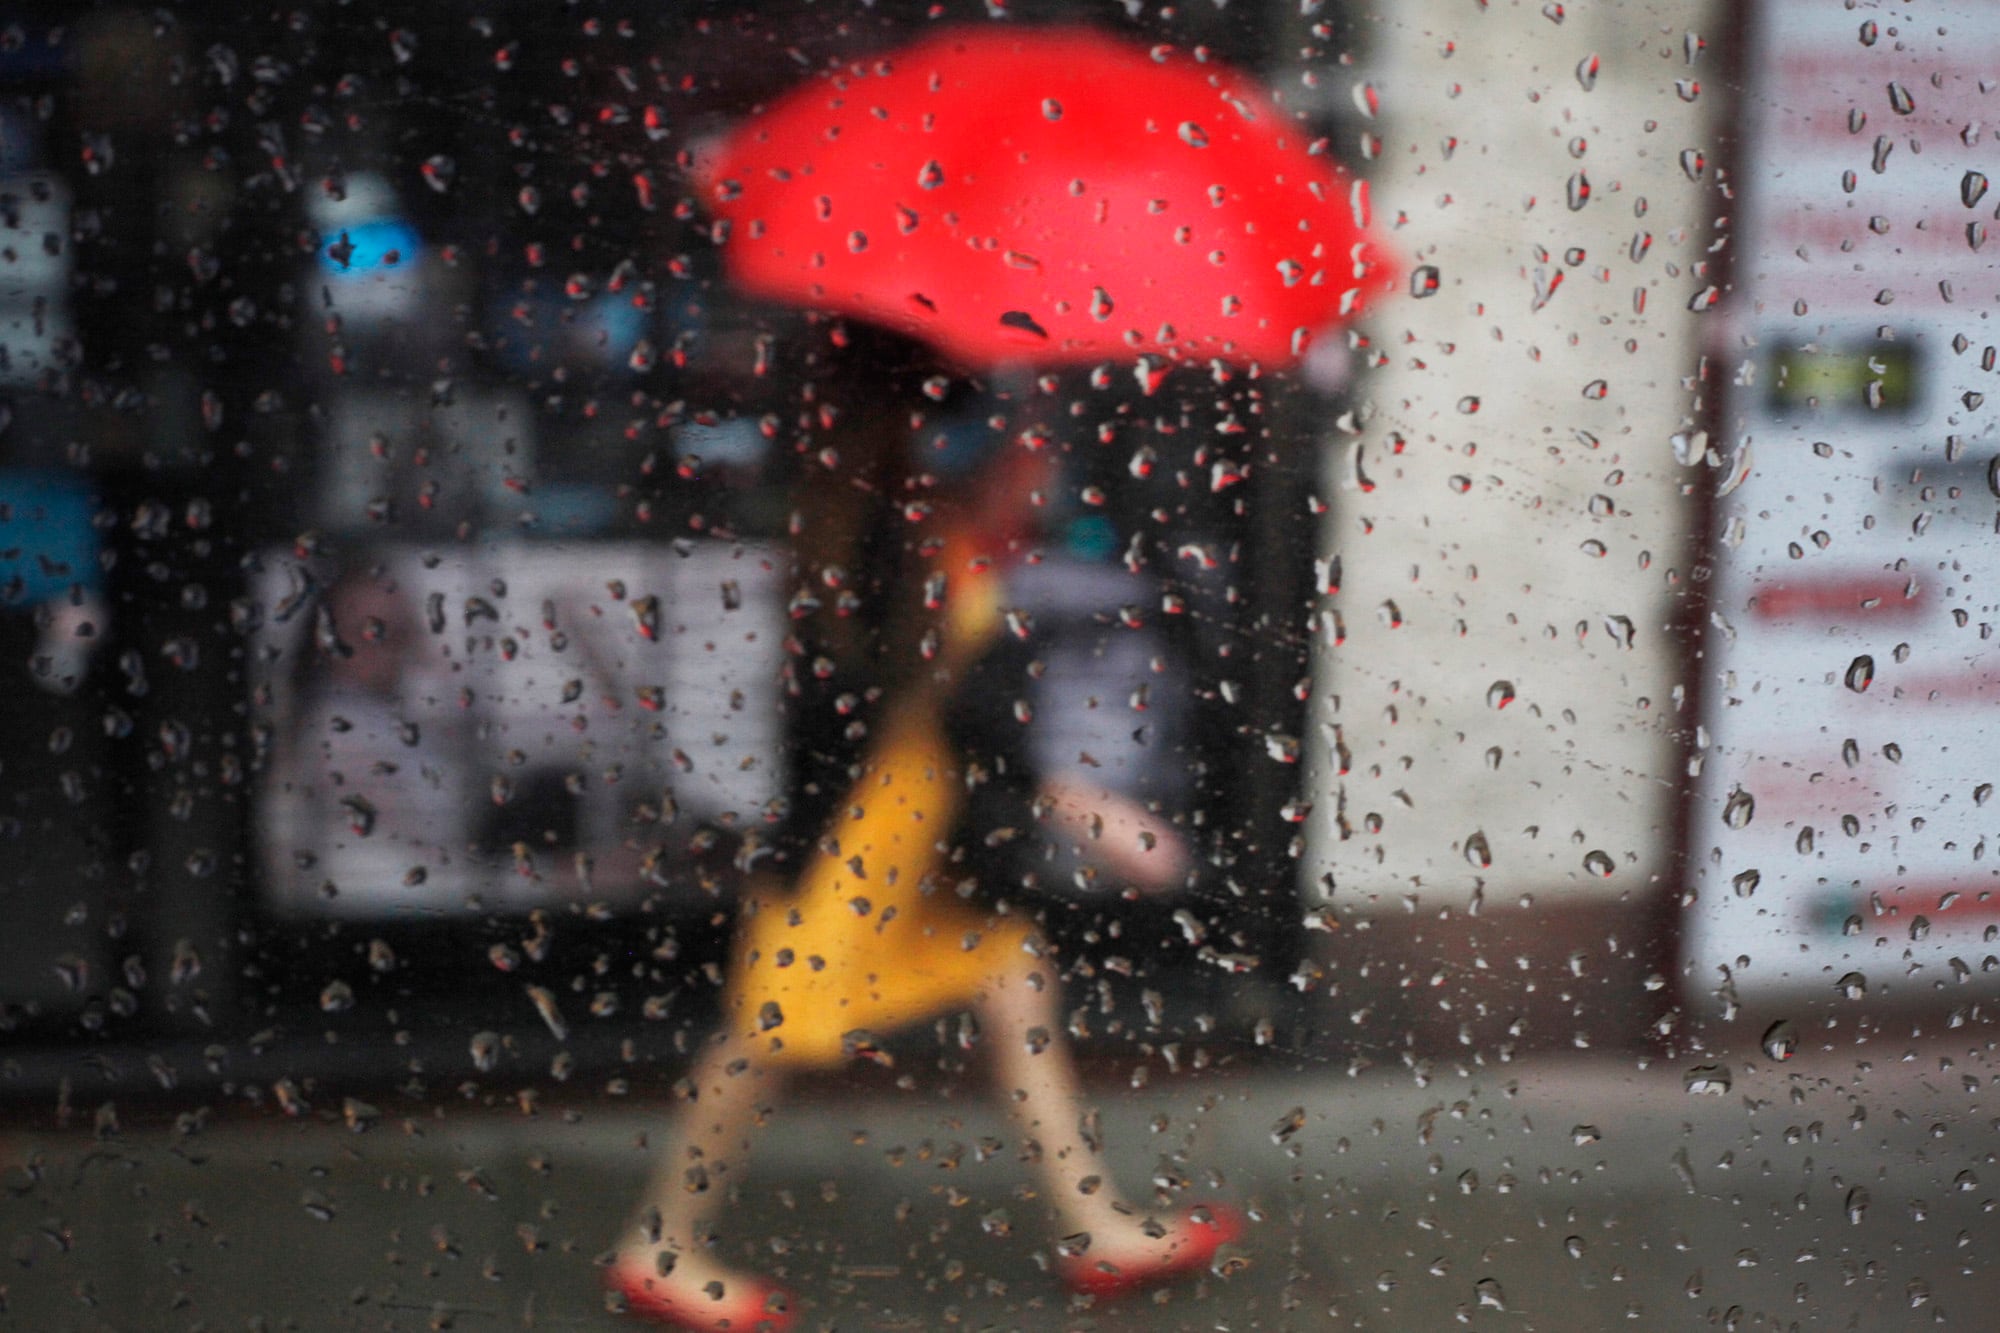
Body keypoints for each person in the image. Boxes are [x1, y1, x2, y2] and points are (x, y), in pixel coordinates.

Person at [604, 397, 1241, 1330]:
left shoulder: (942, 542)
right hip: (860, 842)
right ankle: (658, 1247)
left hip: (924, 840)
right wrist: (1083, 808)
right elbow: (944, 701)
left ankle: (1094, 1223)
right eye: (1025, 451)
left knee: (1014, 979)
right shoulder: (898, 540)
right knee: (766, 1032)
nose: (1043, 471)